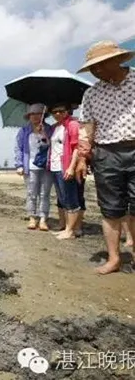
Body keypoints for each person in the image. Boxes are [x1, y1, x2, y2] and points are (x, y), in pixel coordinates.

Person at [75, 40, 135, 274]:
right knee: (110, 209)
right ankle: (113, 258)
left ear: (117, 60)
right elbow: (86, 129)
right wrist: (82, 157)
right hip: (106, 153)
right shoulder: (91, 94)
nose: (95, 71)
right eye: (92, 67)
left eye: (100, 65)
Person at [47, 104, 85, 240]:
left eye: (61, 111)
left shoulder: (72, 124)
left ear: (67, 111)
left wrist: (71, 167)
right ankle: (67, 228)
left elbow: (76, 147)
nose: (57, 113)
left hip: (66, 166)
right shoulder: (54, 128)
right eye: (54, 111)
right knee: (63, 199)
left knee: (71, 199)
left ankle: (70, 231)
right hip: (54, 167)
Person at [14, 104, 53, 231]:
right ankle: (32, 217)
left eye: (38, 114)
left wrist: (43, 133)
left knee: (45, 193)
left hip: (46, 166)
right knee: (31, 193)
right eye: (32, 114)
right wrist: (19, 165)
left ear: (43, 115)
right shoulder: (24, 131)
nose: (35, 116)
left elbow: (53, 146)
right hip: (29, 166)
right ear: (29, 116)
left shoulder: (50, 129)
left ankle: (43, 219)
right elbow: (18, 148)